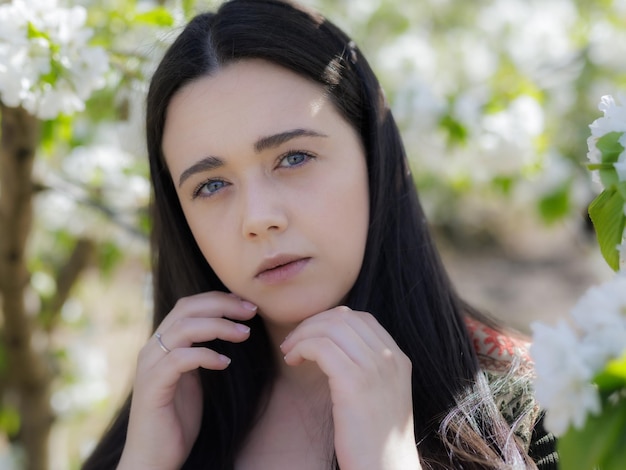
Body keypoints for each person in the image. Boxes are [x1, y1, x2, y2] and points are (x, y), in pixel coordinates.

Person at [83, 0, 558, 468]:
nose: (258, 218)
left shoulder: (540, 411)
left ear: (375, 157)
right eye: (211, 185)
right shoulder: (163, 424)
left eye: (293, 158)